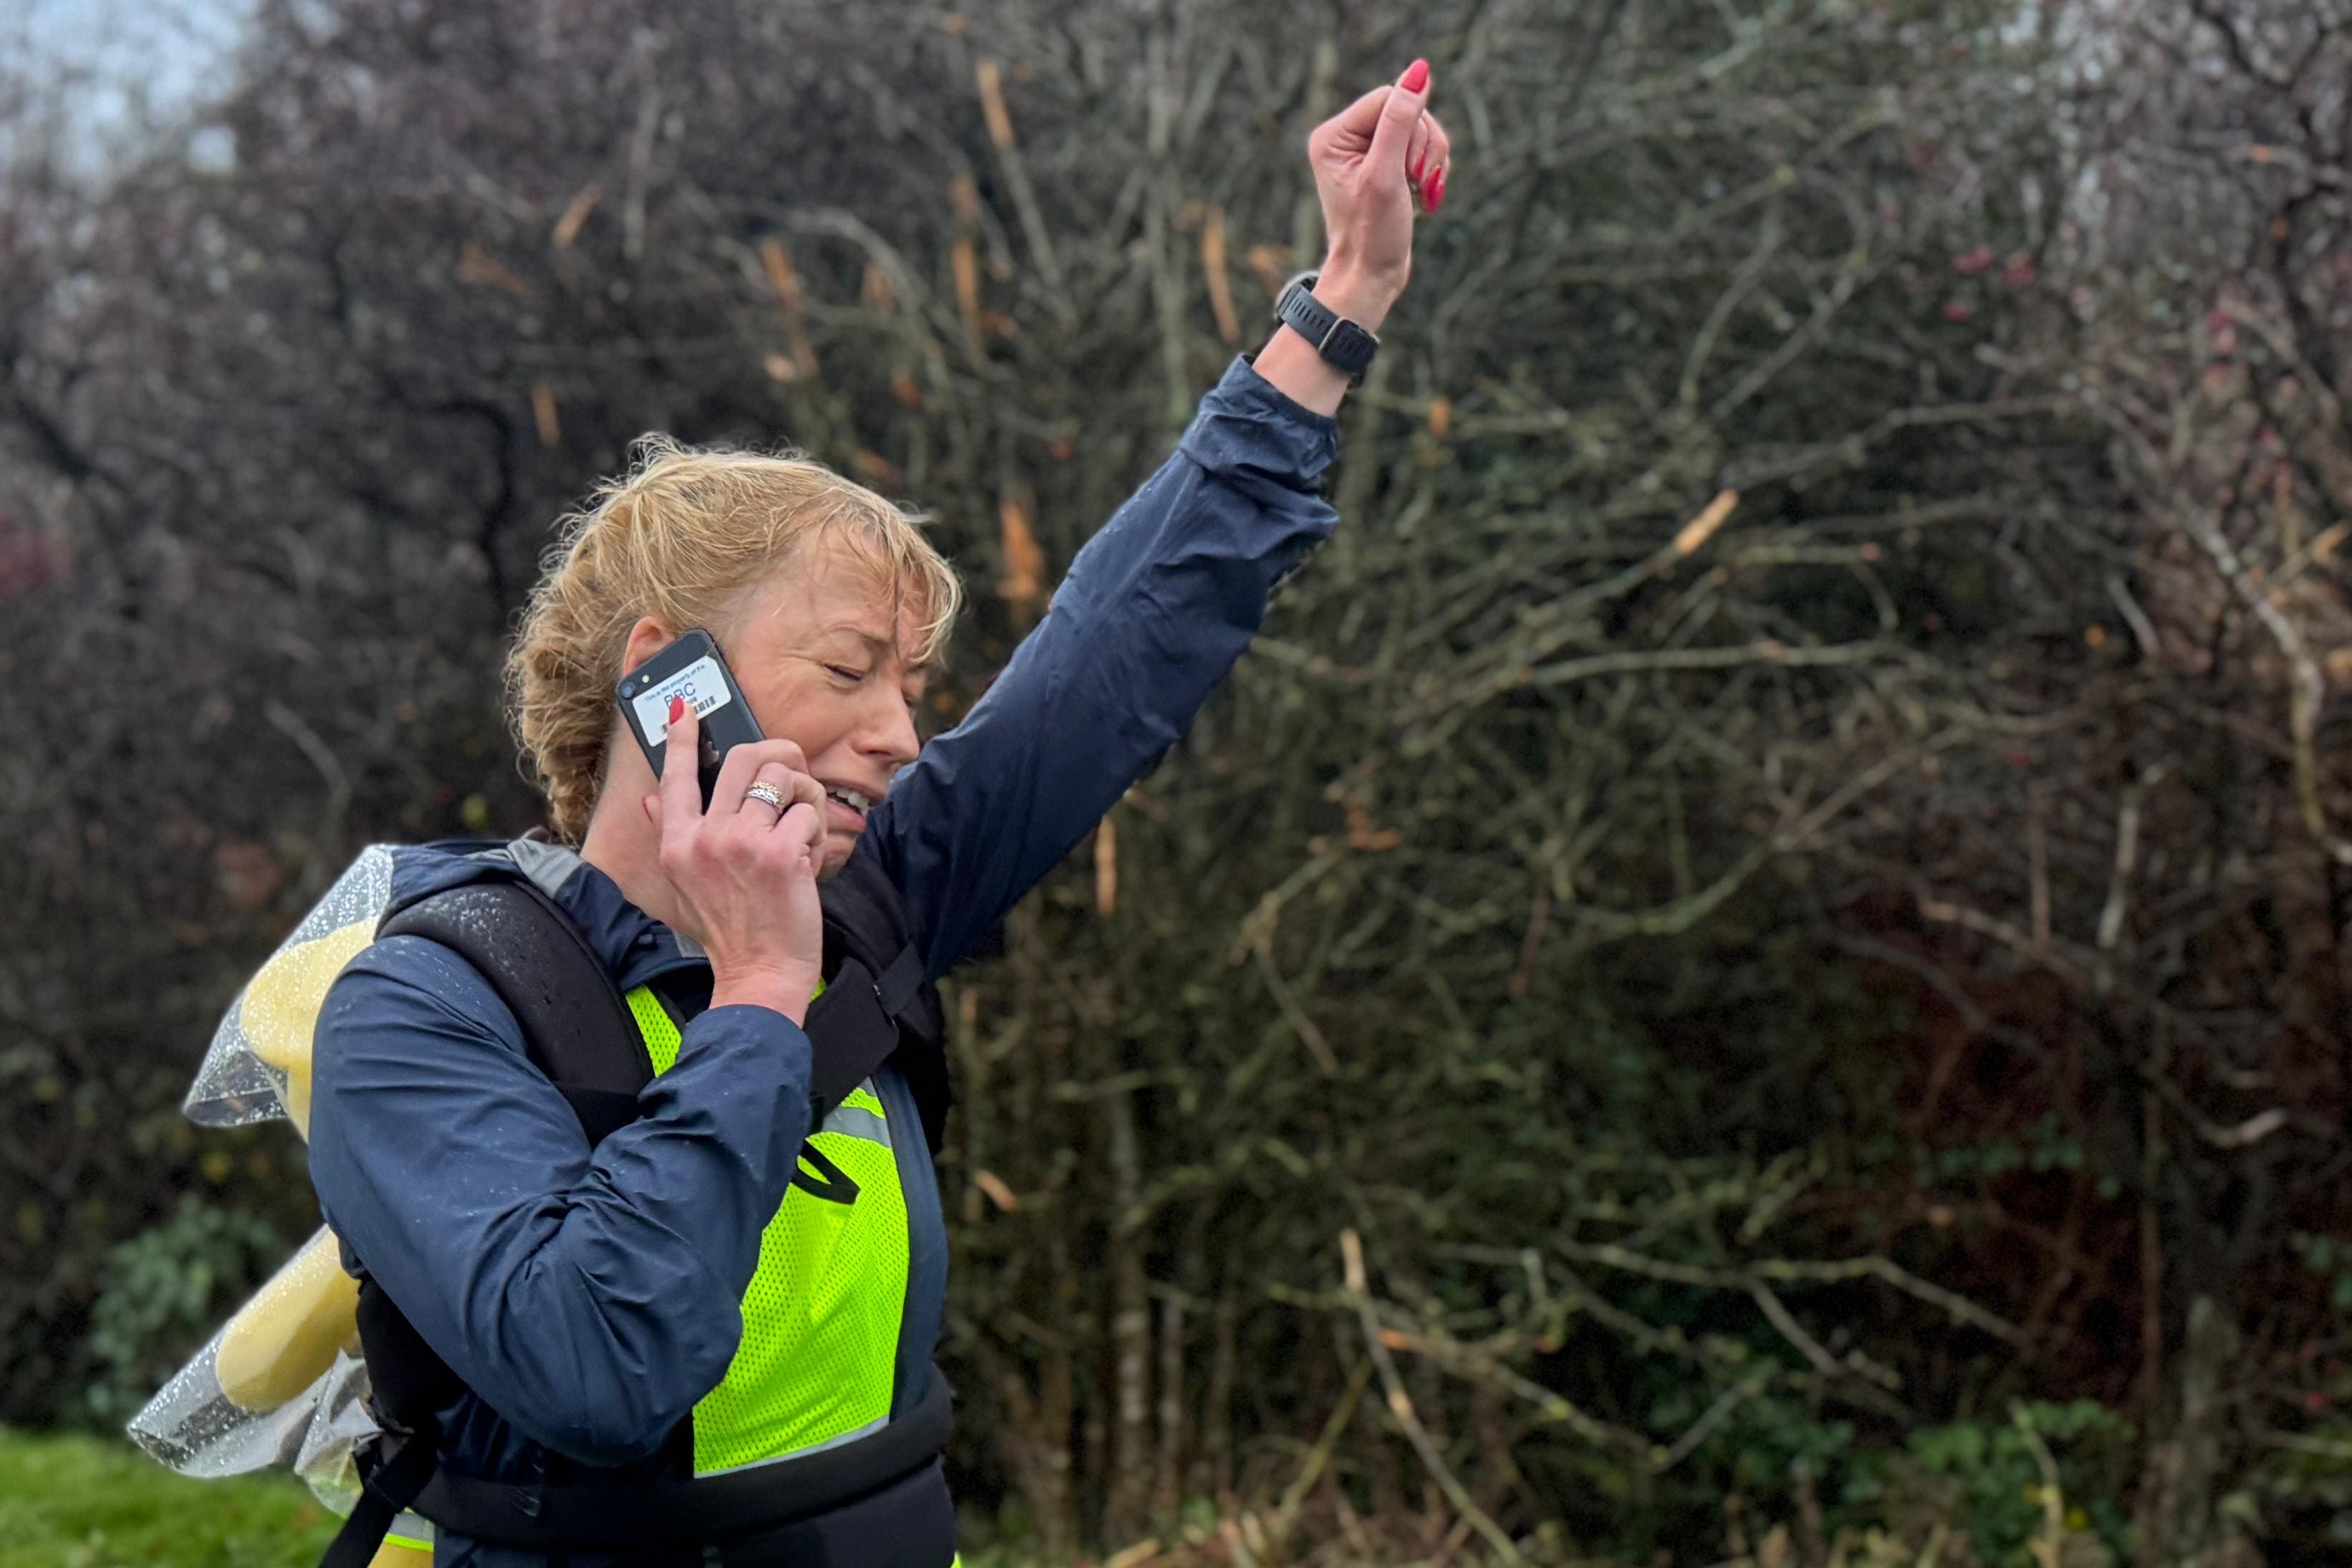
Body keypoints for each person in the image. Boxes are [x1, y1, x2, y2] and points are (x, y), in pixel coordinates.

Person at [304, 57, 1453, 1568]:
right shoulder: (421, 1016)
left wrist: (1343, 298)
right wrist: (761, 995)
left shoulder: (878, 900)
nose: (903, 736)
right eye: (850, 669)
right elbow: (599, 1363)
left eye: (912, 684)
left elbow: (1124, 645)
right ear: (669, 679)